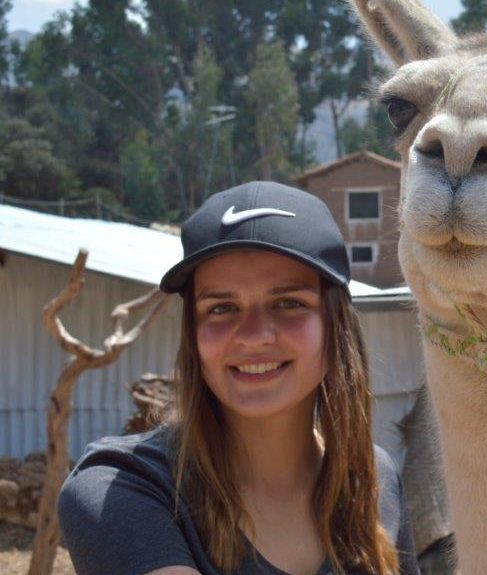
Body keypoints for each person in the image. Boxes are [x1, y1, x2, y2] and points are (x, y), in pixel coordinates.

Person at [58, 181, 420, 575]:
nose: (253, 335)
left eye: (287, 303)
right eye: (222, 307)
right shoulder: (121, 486)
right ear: (192, 334)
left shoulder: (373, 479)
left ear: (335, 325)